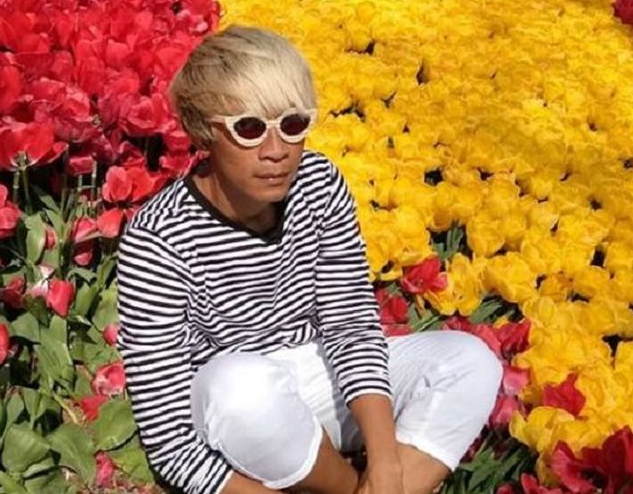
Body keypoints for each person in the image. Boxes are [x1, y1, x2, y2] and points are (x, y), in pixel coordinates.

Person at [116, 25, 503, 494]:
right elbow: (170, 444)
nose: (276, 151)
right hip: (242, 412)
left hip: (320, 373)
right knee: (237, 390)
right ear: (204, 131)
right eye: (249, 128)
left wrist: (385, 463)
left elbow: (351, 325)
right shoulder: (158, 239)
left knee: (471, 362)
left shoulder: (319, 184)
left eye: (293, 124)